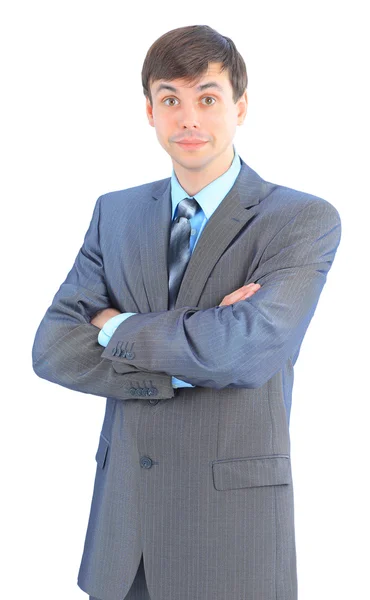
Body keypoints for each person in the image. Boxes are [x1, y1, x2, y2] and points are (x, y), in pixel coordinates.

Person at [32, 24, 342, 600]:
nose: (188, 118)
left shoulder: (300, 220)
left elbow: (246, 349)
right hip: (124, 533)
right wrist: (197, 348)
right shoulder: (115, 213)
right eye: (170, 99)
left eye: (207, 97)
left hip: (231, 535)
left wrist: (114, 326)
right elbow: (51, 348)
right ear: (149, 111)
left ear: (240, 106)